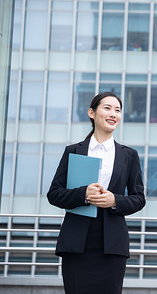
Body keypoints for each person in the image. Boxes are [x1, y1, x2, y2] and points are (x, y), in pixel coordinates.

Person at [47, 92, 145, 294]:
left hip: (112, 245)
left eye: (117, 110)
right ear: (92, 113)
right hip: (76, 243)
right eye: (107, 108)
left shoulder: (129, 155)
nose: (113, 114)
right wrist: (83, 194)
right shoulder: (73, 151)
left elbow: (139, 198)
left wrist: (114, 200)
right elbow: (54, 193)